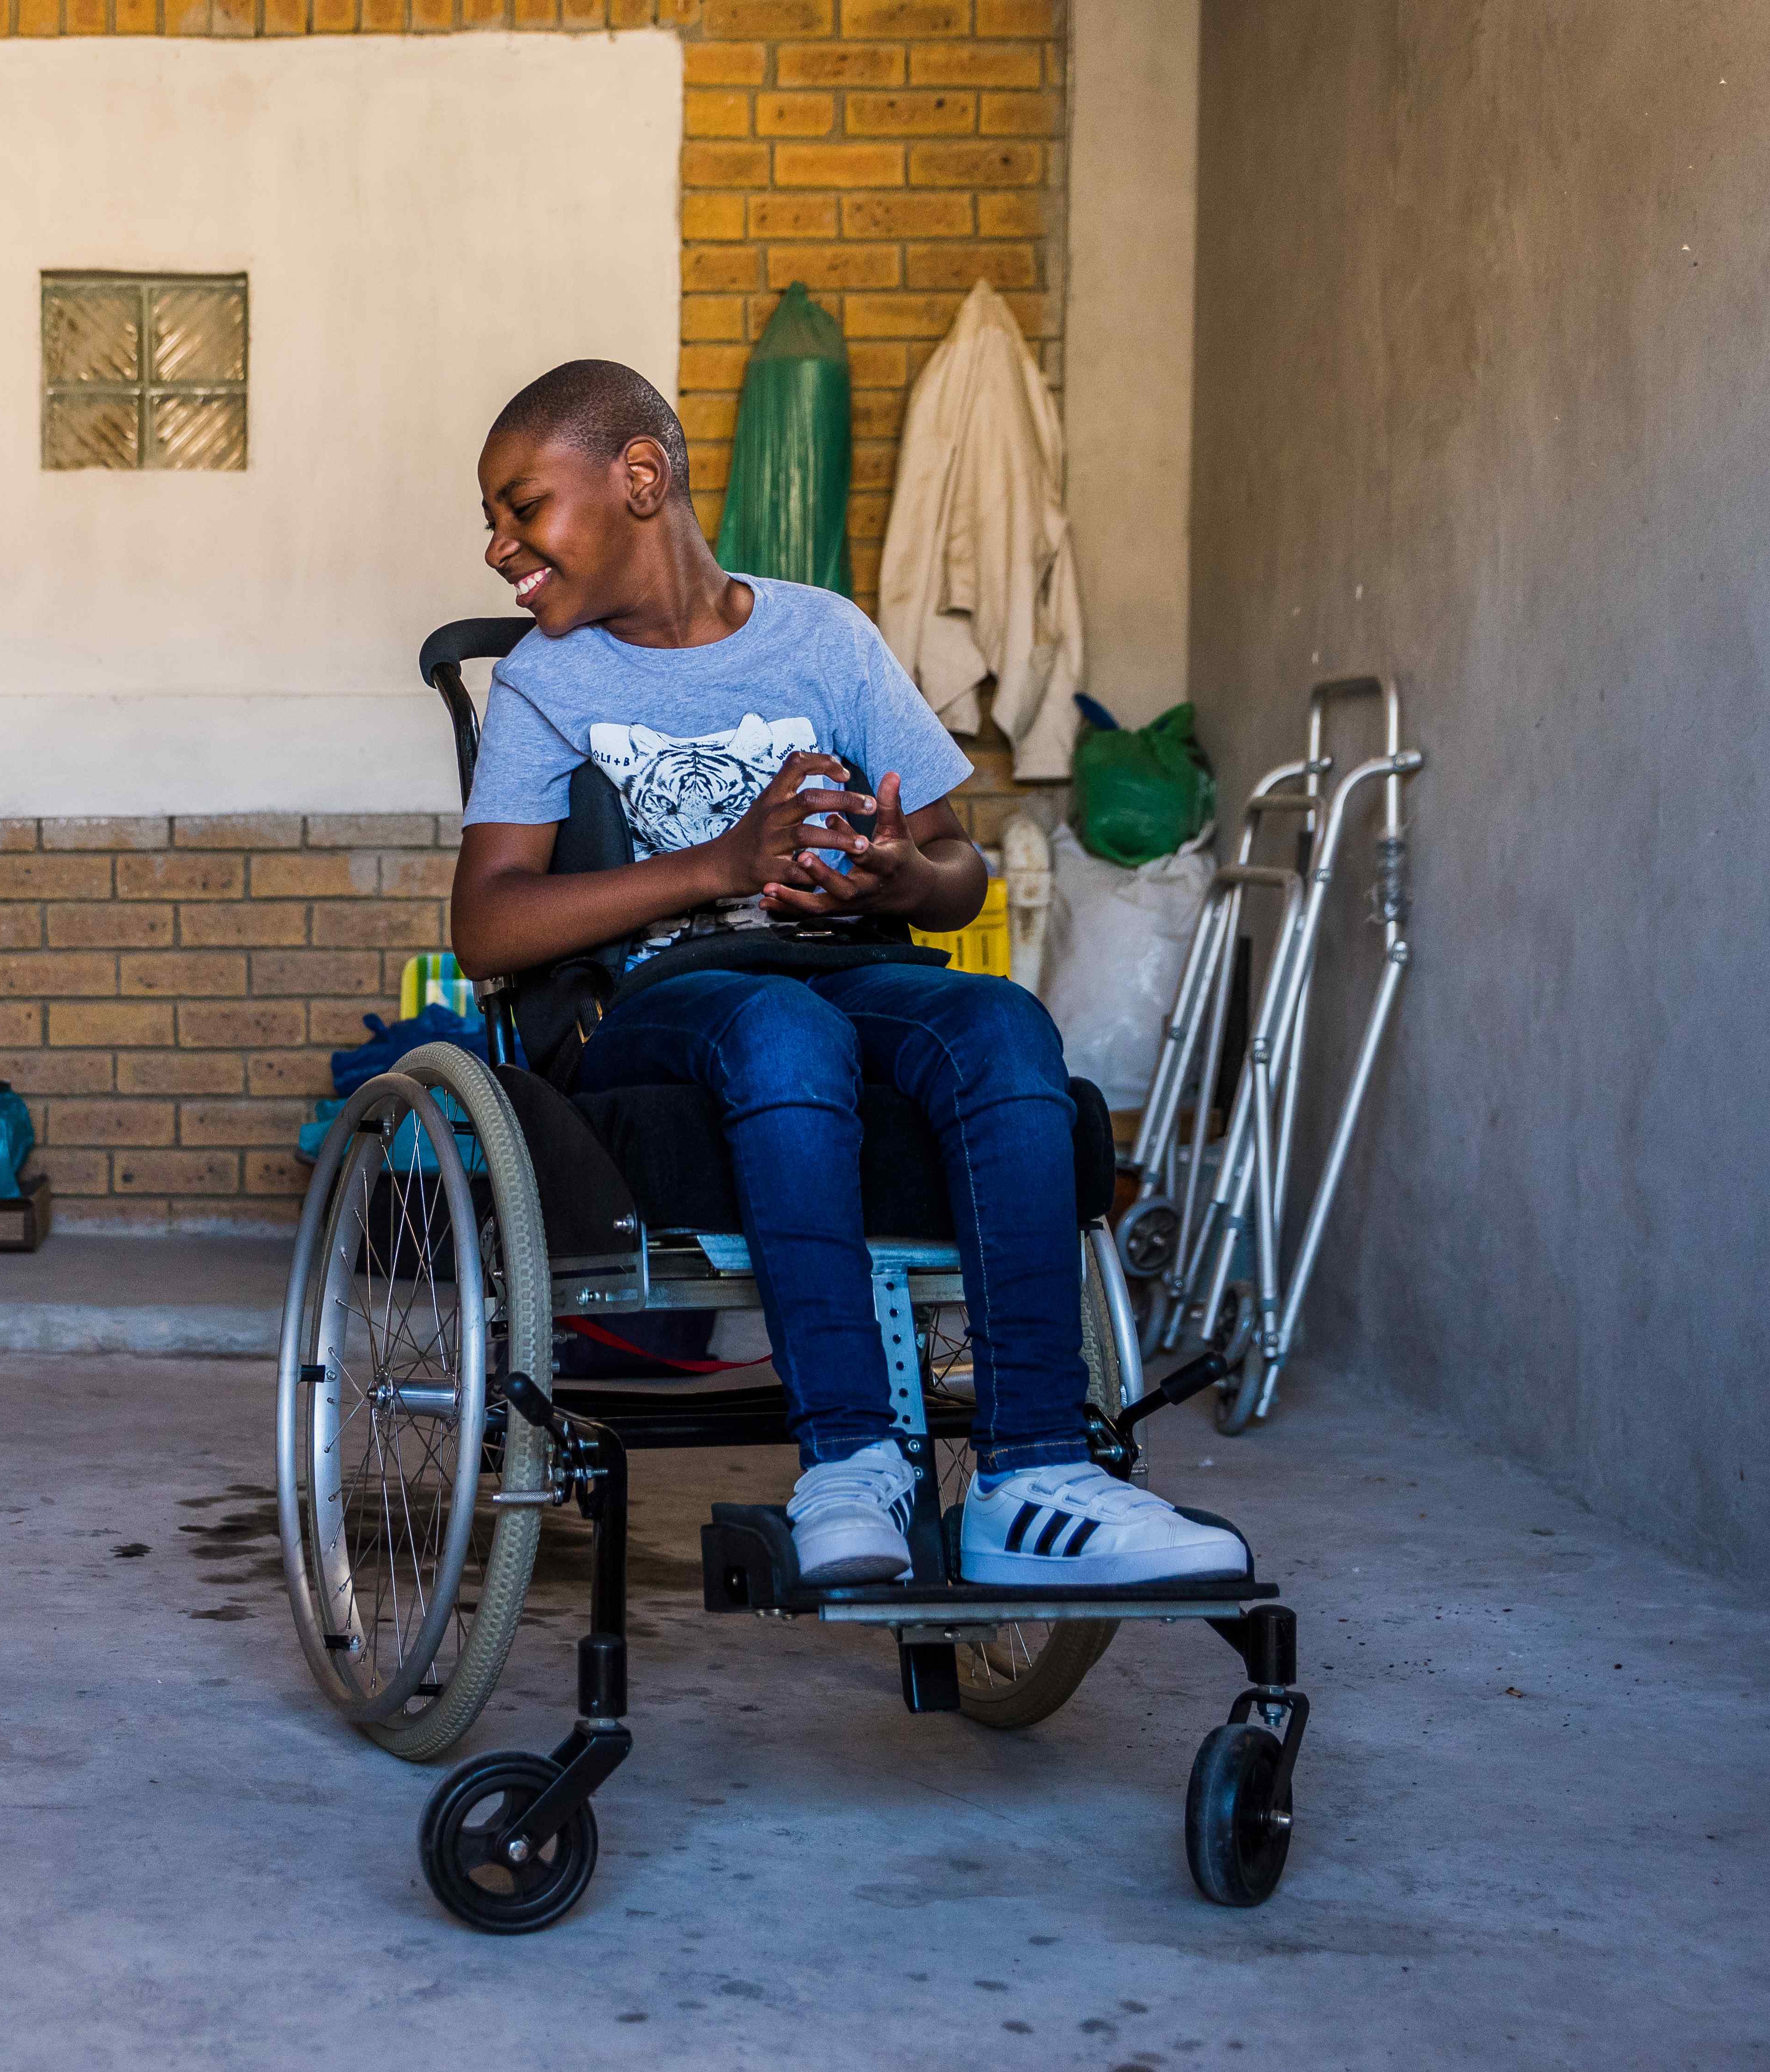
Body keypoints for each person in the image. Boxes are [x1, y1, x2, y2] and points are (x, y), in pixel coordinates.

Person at [451, 360, 1241, 1590]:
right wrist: (718, 863)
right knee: (776, 1026)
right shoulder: (550, 681)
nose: (500, 547)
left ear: (642, 480)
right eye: (497, 522)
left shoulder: (824, 636)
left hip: (848, 969)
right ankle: (850, 1463)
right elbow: (489, 930)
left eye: (520, 508)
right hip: (663, 1006)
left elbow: (955, 866)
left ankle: (1035, 1474)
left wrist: (892, 879)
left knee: (998, 1022)